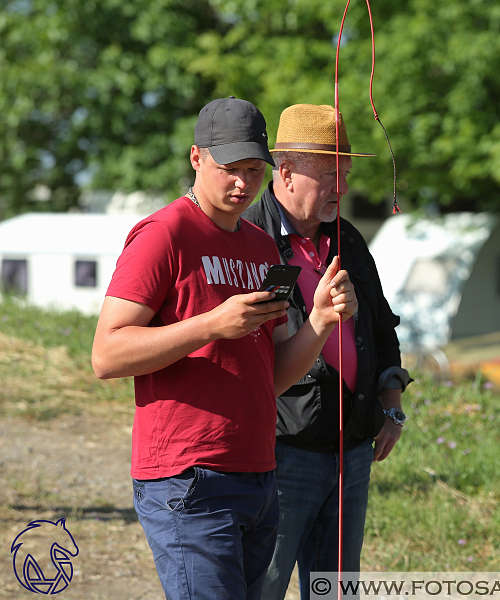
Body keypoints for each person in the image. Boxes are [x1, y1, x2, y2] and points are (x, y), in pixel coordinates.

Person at [91, 97, 358, 600]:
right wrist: (210, 324)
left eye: (254, 171)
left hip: (258, 477)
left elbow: (273, 375)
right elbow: (106, 354)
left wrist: (321, 320)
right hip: (187, 479)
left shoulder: (260, 246)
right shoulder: (163, 234)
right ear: (197, 158)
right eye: (229, 169)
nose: (242, 184)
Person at [242, 103, 410, 600]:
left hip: (352, 450)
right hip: (281, 452)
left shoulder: (349, 239)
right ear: (287, 174)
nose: (342, 189)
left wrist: (392, 398)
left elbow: (382, 327)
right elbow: (245, 354)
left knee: (337, 589)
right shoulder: (251, 238)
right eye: (329, 176)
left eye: (347, 175)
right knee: (265, 586)